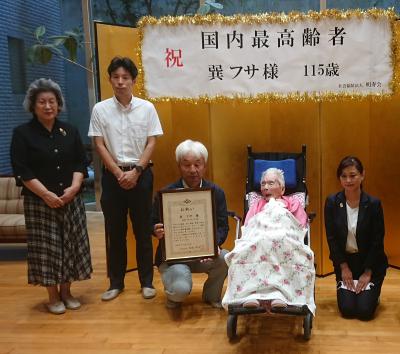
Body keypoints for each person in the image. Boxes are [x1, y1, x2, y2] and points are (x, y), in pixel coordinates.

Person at [10, 78, 92, 315]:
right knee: (47, 249)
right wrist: (46, 194)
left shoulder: (69, 131)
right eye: (42, 102)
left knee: (71, 245)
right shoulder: (22, 134)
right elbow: (22, 171)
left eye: (52, 102)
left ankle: (67, 292)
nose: (48, 106)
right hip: (39, 202)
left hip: (70, 199)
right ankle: (53, 295)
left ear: (59, 104)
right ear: (33, 106)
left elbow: (80, 162)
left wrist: (74, 188)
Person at [88, 56, 163, 301]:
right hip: (113, 177)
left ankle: (147, 282)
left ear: (133, 80)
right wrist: (119, 173)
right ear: (110, 79)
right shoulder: (100, 109)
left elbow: (152, 141)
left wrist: (137, 171)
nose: (120, 82)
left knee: (143, 231)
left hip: (141, 175)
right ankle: (116, 283)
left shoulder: (147, 108)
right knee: (115, 231)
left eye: (125, 78)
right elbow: (98, 144)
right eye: (116, 77)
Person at [222, 168, 315, 315]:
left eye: (271, 183)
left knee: (280, 244)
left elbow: (299, 227)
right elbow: (249, 228)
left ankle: (281, 294)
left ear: (282, 188)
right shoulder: (257, 205)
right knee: (251, 247)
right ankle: (250, 294)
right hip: (259, 239)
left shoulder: (293, 204)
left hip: (284, 240)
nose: (265, 187)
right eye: (263, 184)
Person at [152, 140, 229, 309]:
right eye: (186, 165)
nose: (193, 170)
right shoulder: (166, 195)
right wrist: (155, 230)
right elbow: (152, 223)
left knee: (225, 258)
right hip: (174, 257)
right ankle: (174, 296)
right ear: (179, 166)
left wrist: (214, 244)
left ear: (205, 166)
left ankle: (211, 296)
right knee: (180, 289)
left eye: (197, 164)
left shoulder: (216, 192)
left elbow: (223, 226)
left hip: (204, 253)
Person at [324, 156, 388, 320]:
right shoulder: (332, 202)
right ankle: (359, 291)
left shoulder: (373, 204)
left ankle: (374, 293)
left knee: (365, 312)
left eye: (353, 175)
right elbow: (331, 239)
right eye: (344, 176)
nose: (348, 180)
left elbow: (377, 241)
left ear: (362, 175)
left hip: (370, 262)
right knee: (348, 310)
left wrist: (368, 272)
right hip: (347, 262)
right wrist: (344, 267)